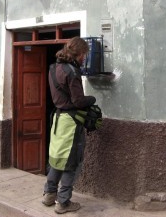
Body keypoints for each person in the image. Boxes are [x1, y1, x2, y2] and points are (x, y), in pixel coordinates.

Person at [42, 37, 96, 214]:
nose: (84, 58)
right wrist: (93, 99)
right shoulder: (72, 72)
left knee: (57, 158)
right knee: (70, 162)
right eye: (84, 55)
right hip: (71, 122)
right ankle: (63, 203)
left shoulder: (52, 68)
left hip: (58, 120)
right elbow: (79, 101)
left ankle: (49, 195)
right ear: (79, 53)